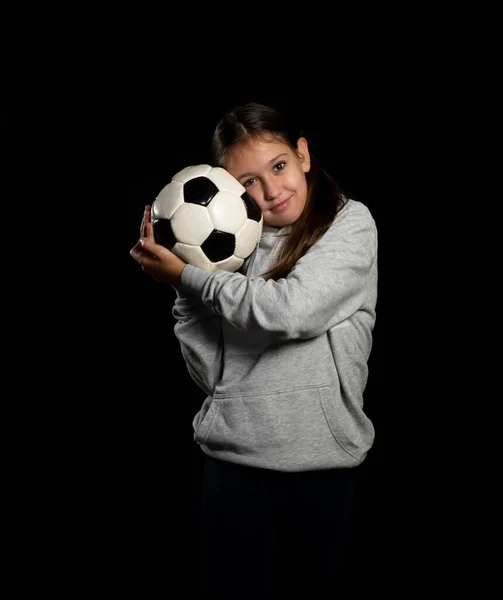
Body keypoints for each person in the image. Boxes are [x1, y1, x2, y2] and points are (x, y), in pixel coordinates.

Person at [130, 101, 378, 597]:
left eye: (279, 166)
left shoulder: (350, 226)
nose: (270, 191)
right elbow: (213, 375)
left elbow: (291, 311)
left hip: (322, 469)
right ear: (226, 187)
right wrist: (185, 290)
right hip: (232, 467)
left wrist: (187, 276)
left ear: (303, 154)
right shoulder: (223, 248)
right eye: (248, 182)